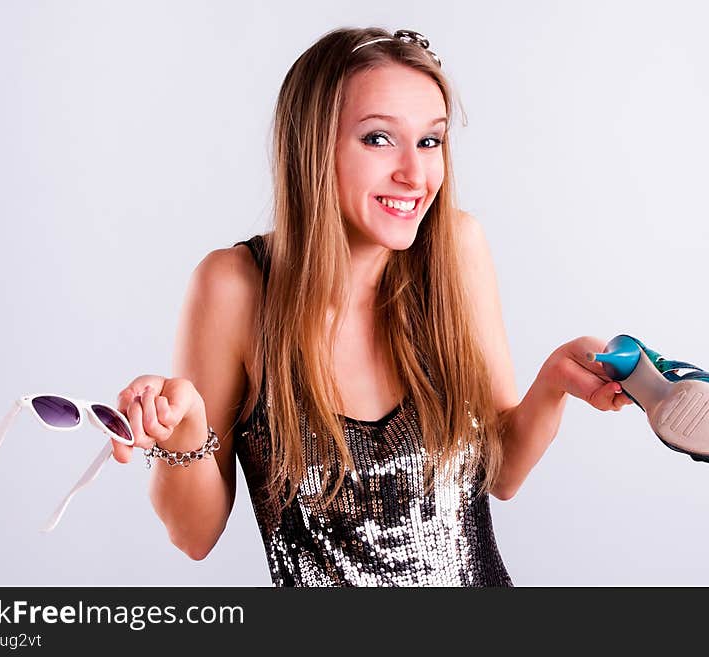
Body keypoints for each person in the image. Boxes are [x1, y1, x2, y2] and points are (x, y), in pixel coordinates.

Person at [113, 26, 632, 586]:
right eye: (380, 139)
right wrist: (184, 429)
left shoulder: (454, 251)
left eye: (430, 141)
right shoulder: (235, 288)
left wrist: (554, 382)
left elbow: (500, 475)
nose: (415, 174)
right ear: (313, 146)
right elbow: (194, 536)